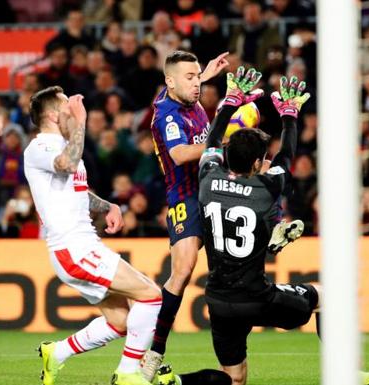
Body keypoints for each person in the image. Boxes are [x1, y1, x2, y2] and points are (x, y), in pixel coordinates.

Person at [192, 68, 369, 385]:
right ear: (256, 164)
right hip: (257, 297)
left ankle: (177, 381)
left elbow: (211, 139)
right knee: (329, 297)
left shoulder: (208, 179)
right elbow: (287, 155)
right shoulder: (267, 188)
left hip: (218, 300)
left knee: (234, 380)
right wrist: (290, 115)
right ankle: (349, 373)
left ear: (225, 157)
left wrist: (230, 102)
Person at [24, 86, 162, 385]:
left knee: (123, 322)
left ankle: (57, 353)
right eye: (67, 108)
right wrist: (82, 122)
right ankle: (128, 373)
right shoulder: (40, 147)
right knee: (151, 296)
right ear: (51, 115)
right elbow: (67, 164)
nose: (73, 111)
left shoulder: (62, 144)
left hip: (84, 245)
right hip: (73, 248)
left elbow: (75, 188)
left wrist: (107, 205)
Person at [141, 50, 230, 380]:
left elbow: (186, 83)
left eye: (197, 78)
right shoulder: (166, 113)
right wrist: (223, 147)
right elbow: (179, 154)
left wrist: (202, 75)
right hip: (184, 196)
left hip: (212, 189)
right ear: (170, 82)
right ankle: (154, 351)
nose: (198, 85)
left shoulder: (192, 100)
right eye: (190, 78)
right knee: (184, 268)